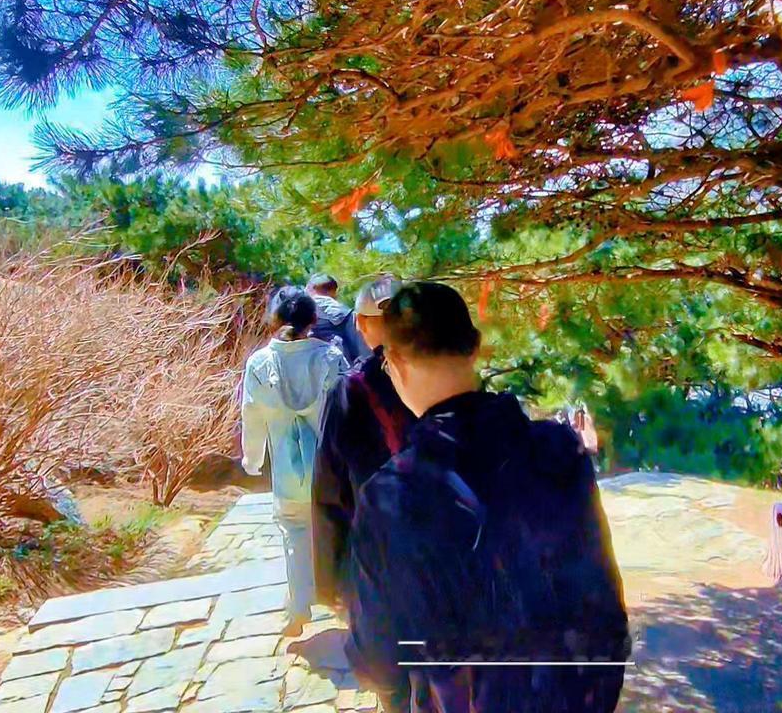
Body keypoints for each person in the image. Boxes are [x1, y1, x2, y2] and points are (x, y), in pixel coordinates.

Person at [345, 282, 630, 713]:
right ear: (475, 347)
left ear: (395, 362)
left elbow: (377, 662)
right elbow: (603, 598)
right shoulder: (559, 450)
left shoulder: (389, 494)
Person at [241, 286, 347, 636]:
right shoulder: (331, 358)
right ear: (314, 319)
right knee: (338, 528)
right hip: (331, 467)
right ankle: (344, 599)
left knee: (294, 530)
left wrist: (252, 458)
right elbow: (349, 409)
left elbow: (252, 415)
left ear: (273, 319)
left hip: (288, 471)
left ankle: (299, 604)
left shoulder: (259, 364)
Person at [312, 273, 414, 611]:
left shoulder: (349, 389)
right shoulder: (443, 374)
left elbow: (329, 488)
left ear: (359, 323)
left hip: (377, 554)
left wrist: (328, 577)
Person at [307, 273, 370, 364]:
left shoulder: (296, 310)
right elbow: (365, 353)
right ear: (334, 292)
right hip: (346, 368)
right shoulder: (349, 315)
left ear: (310, 288)